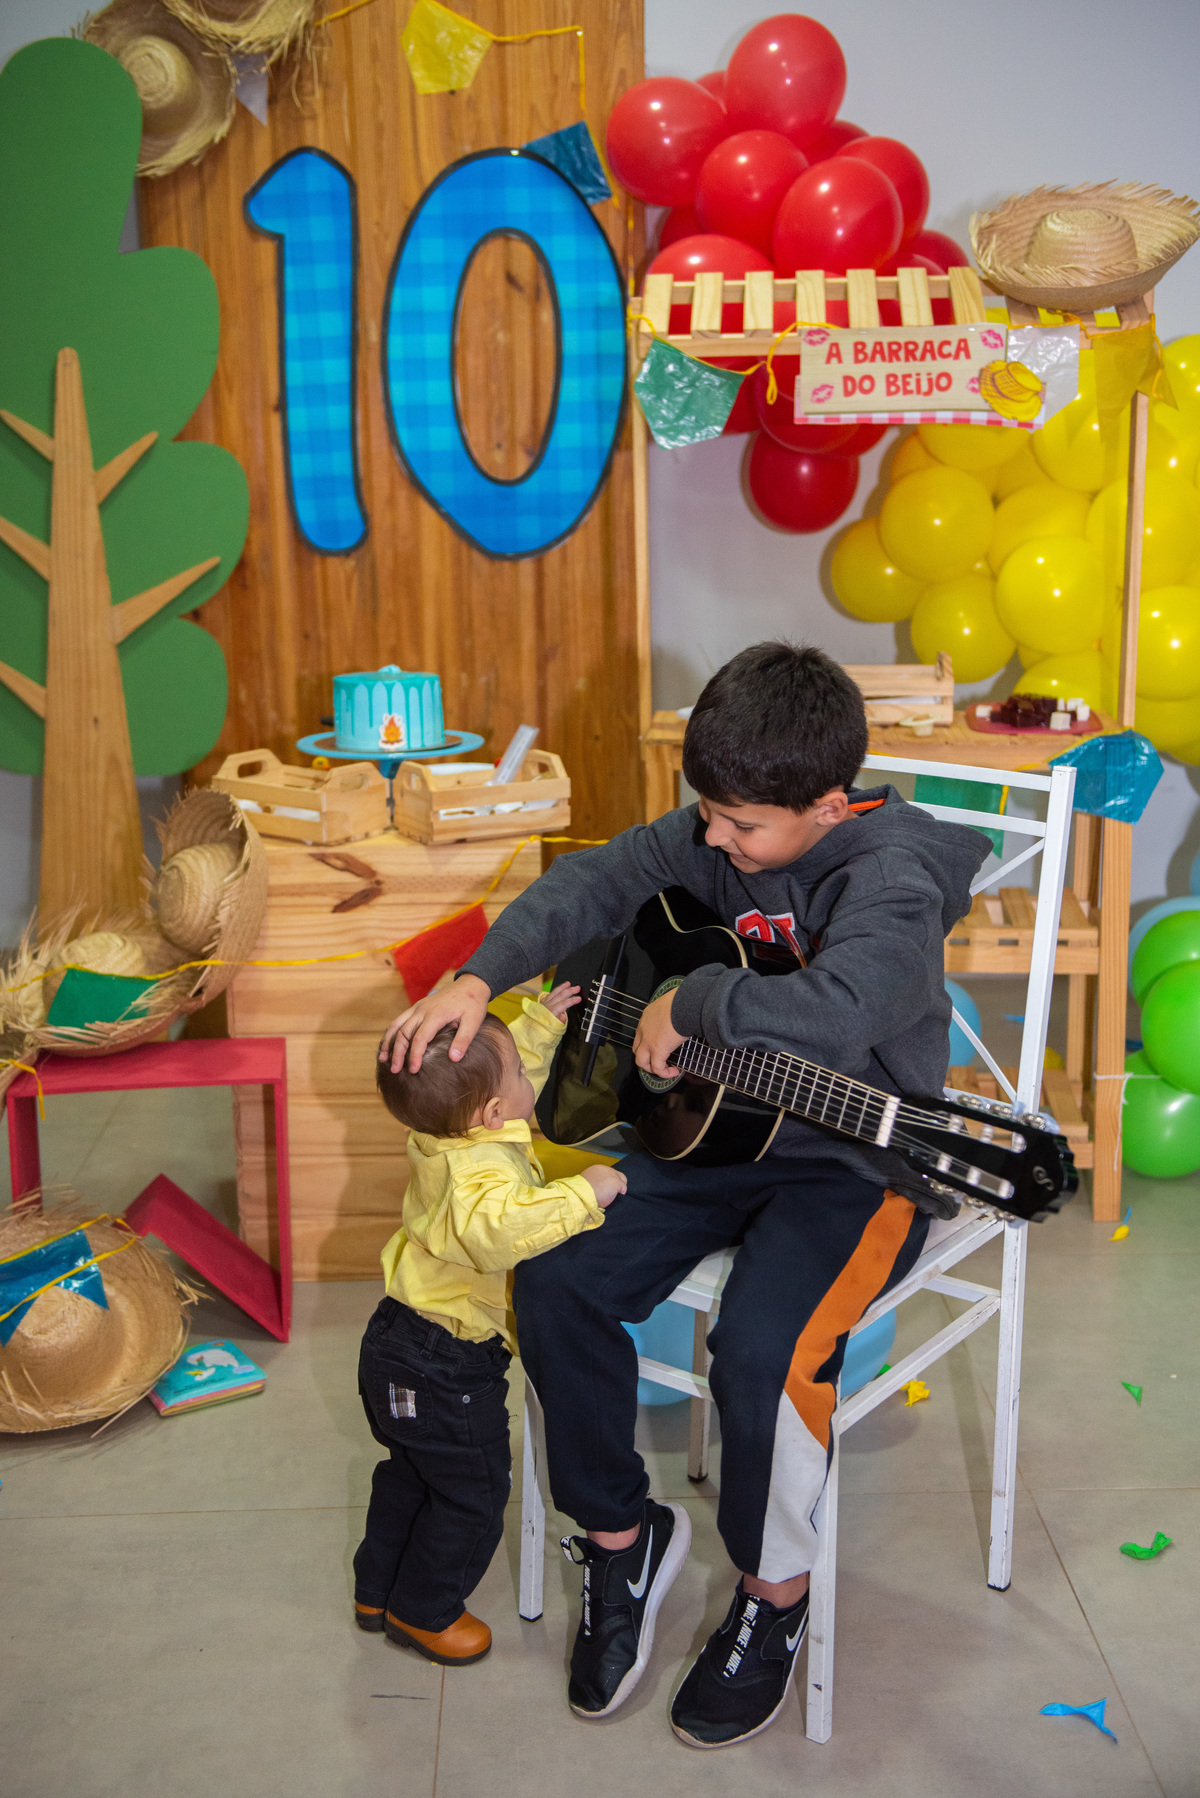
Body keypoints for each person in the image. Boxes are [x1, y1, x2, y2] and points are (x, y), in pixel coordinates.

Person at [381, 642, 989, 1744]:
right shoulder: (723, 827)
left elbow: (846, 1006)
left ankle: (774, 1596)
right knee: (555, 1279)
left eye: (740, 824)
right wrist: (479, 978)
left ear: (829, 805)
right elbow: (592, 881)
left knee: (763, 1350)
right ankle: (623, 1541)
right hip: (717, 1138)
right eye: (705, 812)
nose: (712, 839)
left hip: (856, 1163)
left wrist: (695, 1003)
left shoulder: (894, 877)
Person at [355, 981, 628, 1667]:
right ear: (493, 1113)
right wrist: (584, 1192)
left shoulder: (445, 1128)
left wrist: (537, 1027)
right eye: (516, 1075)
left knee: (409, 1475)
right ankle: (425, 1611)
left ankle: (376, 1589)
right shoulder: (480, 1173)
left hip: (396, 1340)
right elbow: (502, 1230)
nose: (526, 1079)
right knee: (472, 1495)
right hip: (447, 1365)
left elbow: (499, 1083)